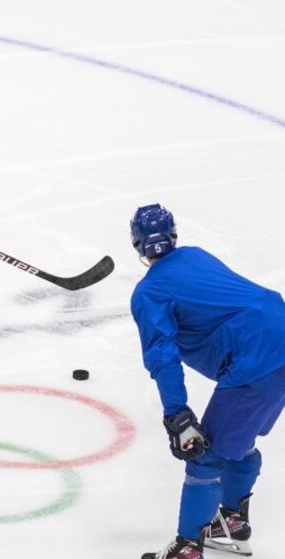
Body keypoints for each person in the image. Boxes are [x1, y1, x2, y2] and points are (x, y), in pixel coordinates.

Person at [129, 204, 285, 559]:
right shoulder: (195, 256)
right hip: (280, 332)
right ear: (173, 234)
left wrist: (177, 413)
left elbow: (163, 356)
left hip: (254, 357)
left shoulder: (149, 292)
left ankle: (188, 547)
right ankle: (231, 523)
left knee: (205, 456)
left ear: (136, 244)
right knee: (238, 438)